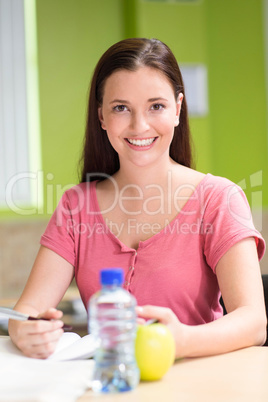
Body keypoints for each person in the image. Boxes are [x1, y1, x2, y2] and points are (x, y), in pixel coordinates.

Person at [9, 38, 267, 359]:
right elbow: (28, 312)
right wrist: (27, 330)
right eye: (121, 108)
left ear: (178, 109)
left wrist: (181, 339)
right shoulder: (76, 205)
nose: (139, 125)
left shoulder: (219, 199)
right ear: (101, 117)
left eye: (156, 106)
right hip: (115, 385)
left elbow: (254, 322)